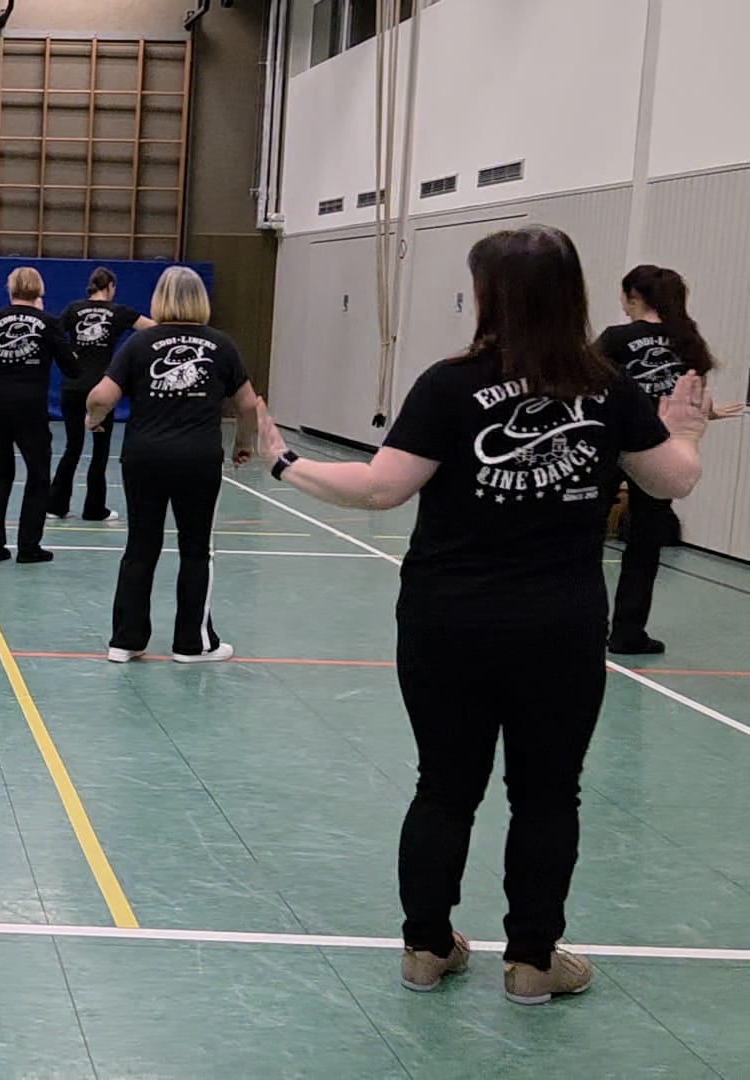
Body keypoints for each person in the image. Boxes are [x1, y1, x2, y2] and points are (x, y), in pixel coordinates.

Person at [257, 226, 710, 1005]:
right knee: (548, 793)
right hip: (558, 625)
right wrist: (688, 433)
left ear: (489, 295)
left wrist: (284, 461)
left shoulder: (450, 384)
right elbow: (672, 482)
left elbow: (380, 488)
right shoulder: (607, 387)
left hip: (448, 620)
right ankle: (532, 962)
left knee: (444, 787)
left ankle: (426, 949)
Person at [85, 267, 260, 663]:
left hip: (144, 457)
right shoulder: (221, 345)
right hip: (198, 459)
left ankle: (125, 641)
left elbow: (100, 396)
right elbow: (248, 404)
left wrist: (93, 419)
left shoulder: (139, 343)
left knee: (140, 547)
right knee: (196, 549)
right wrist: (242, 443)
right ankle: (191, 644)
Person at [593, 265, 744, 654]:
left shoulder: (616, 338)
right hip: (661, 450)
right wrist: (708, 413)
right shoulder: (688, 342)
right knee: (644, 545)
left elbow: (588, 388)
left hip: (610, 448)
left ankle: (583, 625)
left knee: (587, 539)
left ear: (634, 297)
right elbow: (690, 399)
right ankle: (628, 632)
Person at [0, 267, 79, 564]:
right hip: (30, 405)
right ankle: (29, 546)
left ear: (10, 290)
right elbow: (72, 369)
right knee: (38, 474)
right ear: (39, 291)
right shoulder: (48, 323)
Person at [51, 267, 153, 521]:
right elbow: (151, 327)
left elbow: (52, 333)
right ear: (110, 287)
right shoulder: (117, 311)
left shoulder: (73, 309)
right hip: (101, 391)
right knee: (100, 450)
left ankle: (55, 506)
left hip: (73, 386)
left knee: (72, 447)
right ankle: (94, 509)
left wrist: (69, 353)